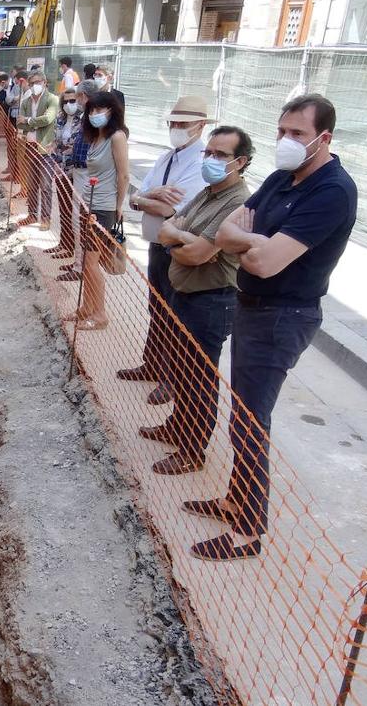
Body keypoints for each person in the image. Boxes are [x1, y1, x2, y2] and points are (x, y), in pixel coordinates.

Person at [194, 94, 357, 561]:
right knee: (242, 413)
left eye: (298, 134)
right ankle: (234, 500)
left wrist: (248, 242)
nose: (286, 141)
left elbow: (264, 262)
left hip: (283, 315)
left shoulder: (332, 191)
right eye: (282, 131)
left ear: (323, 138)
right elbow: (224, 232)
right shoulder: (283, 177)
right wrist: (252, 241)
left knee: (250, 419)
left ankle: (247, 531)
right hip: (252, 308)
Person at [139, 126, 254, 477]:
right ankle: (178, 426)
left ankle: (192, 449)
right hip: (186, 293)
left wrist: (180, 239)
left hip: (212, 300)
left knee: (198, 377)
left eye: (221, 155)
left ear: (241, 161)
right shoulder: (208, 193)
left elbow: (200, 254)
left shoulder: (238, 202)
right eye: (210, 153)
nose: (212, 160)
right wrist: (181, 238)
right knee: (183, 371)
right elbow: (168, 227)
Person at [118, 96, 210, 405]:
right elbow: (140, 195)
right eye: (173, 123)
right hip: (157, 244)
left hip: (176, 246)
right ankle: (153, 363)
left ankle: (172, 377)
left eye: (183, 124)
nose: (176, 128)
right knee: (155, 307)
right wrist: (147, 197)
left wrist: (146, 198)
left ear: (200, 126)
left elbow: (173, 209)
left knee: (174, 313)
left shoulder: (199, 164)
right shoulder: (167, 157)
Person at [64, 91, 129, 330]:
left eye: (100, 110)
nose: (95, 114)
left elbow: (123, 174)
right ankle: (87, 306)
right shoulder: (96, 137)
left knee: (91, 262)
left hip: (104, 208)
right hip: (90, 204)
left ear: (112, 111)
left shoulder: (117, 137)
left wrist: (118, 205)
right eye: (92, 110)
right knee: (88, 259)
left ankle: (100, 313)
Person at [55, 79, 98, 280]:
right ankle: (78, 263)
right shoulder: (86, 118)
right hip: (76, 171)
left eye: (78, 97)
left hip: (86, 175)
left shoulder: (94, 119)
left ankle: (81, 268)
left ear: (83, 97)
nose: (75, 102)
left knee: (80, 221)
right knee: (74, 219)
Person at [16, 70, 60, 227]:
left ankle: (46, 218)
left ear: (45, 82)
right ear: (28, 84)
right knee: (32, 184)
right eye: (32, 83)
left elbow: (48, 119)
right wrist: (30, 122)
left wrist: (28, 120)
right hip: (30, 147)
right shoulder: (26, 102)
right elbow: (18, 123)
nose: (36, 85)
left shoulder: (52, 99)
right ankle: (32, 214)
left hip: (45, 149)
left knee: (46, 186)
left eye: (38, 82)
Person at [46, 87, 84, 254]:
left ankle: (74, 249)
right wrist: (53, 147)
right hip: (60, 168)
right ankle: (64, 243)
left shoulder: (83, 120)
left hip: (75, 171)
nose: (69, 104)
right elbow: (57, 141)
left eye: (72, 100)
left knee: (75, 212)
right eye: (66, 101)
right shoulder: (60, 119)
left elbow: (75, 145)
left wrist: (62, 147)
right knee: (63, 207)